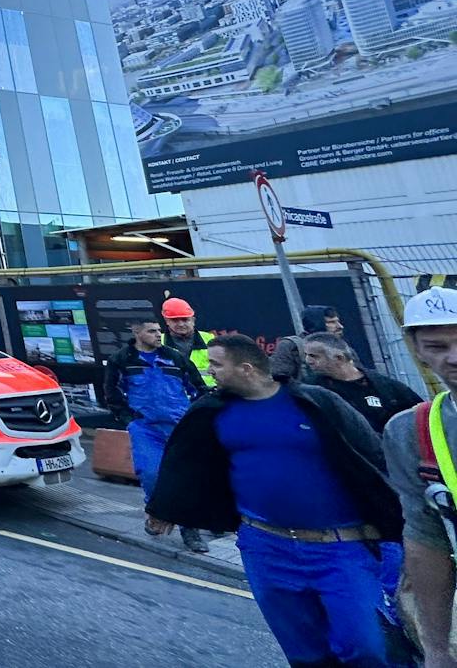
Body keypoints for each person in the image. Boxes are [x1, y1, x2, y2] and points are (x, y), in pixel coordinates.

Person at [147, 333, 403, 668]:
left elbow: (372, 454)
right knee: (305, 653)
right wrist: (165, 508)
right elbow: (186, 460)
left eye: (216, 365)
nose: (210, 372)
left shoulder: (316, 401)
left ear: (246, 368)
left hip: (342, 549)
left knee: (368, 647)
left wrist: (397, 520)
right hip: (266, 548)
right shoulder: (211, 413)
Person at [384, 286, 457, 668]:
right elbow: (427, 542)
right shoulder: (413, 432)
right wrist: (437, 647)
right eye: (438, 346)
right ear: (417, 350)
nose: (455, 357)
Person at [103, 316, 207, 553]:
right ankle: (156, 512)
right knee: (151, 473)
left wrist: (191, 416)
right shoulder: (122, 360)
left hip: (179, 428)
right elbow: (112, 394)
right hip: (146, 428)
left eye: (158, 330)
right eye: (151, 331)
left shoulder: (174, 357)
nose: (158, 334)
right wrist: (130, 420)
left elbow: (198, 388)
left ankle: (190, 530)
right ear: (137, 333)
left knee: (186, 478)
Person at [305, 333, 420, 435]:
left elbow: (420, 415)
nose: (308, 361)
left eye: (314, 356)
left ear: (339, 358)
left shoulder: (386, 387)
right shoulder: (312, 389)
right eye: (307, 355)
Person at [272, 305, 344, 383]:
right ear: (316, 323)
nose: (340, 326)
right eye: (331, 322)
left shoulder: (341, 347)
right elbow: (280, 381)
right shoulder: (291, 345)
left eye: (338, 321)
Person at [159, 297, 217, 388]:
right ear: (167, 321)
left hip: (208, 394)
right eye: (175, 320)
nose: (181, 324)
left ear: (193, 320)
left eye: (185, 319)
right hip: (173, 395)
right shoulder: (158, 342)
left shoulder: (210, 339)